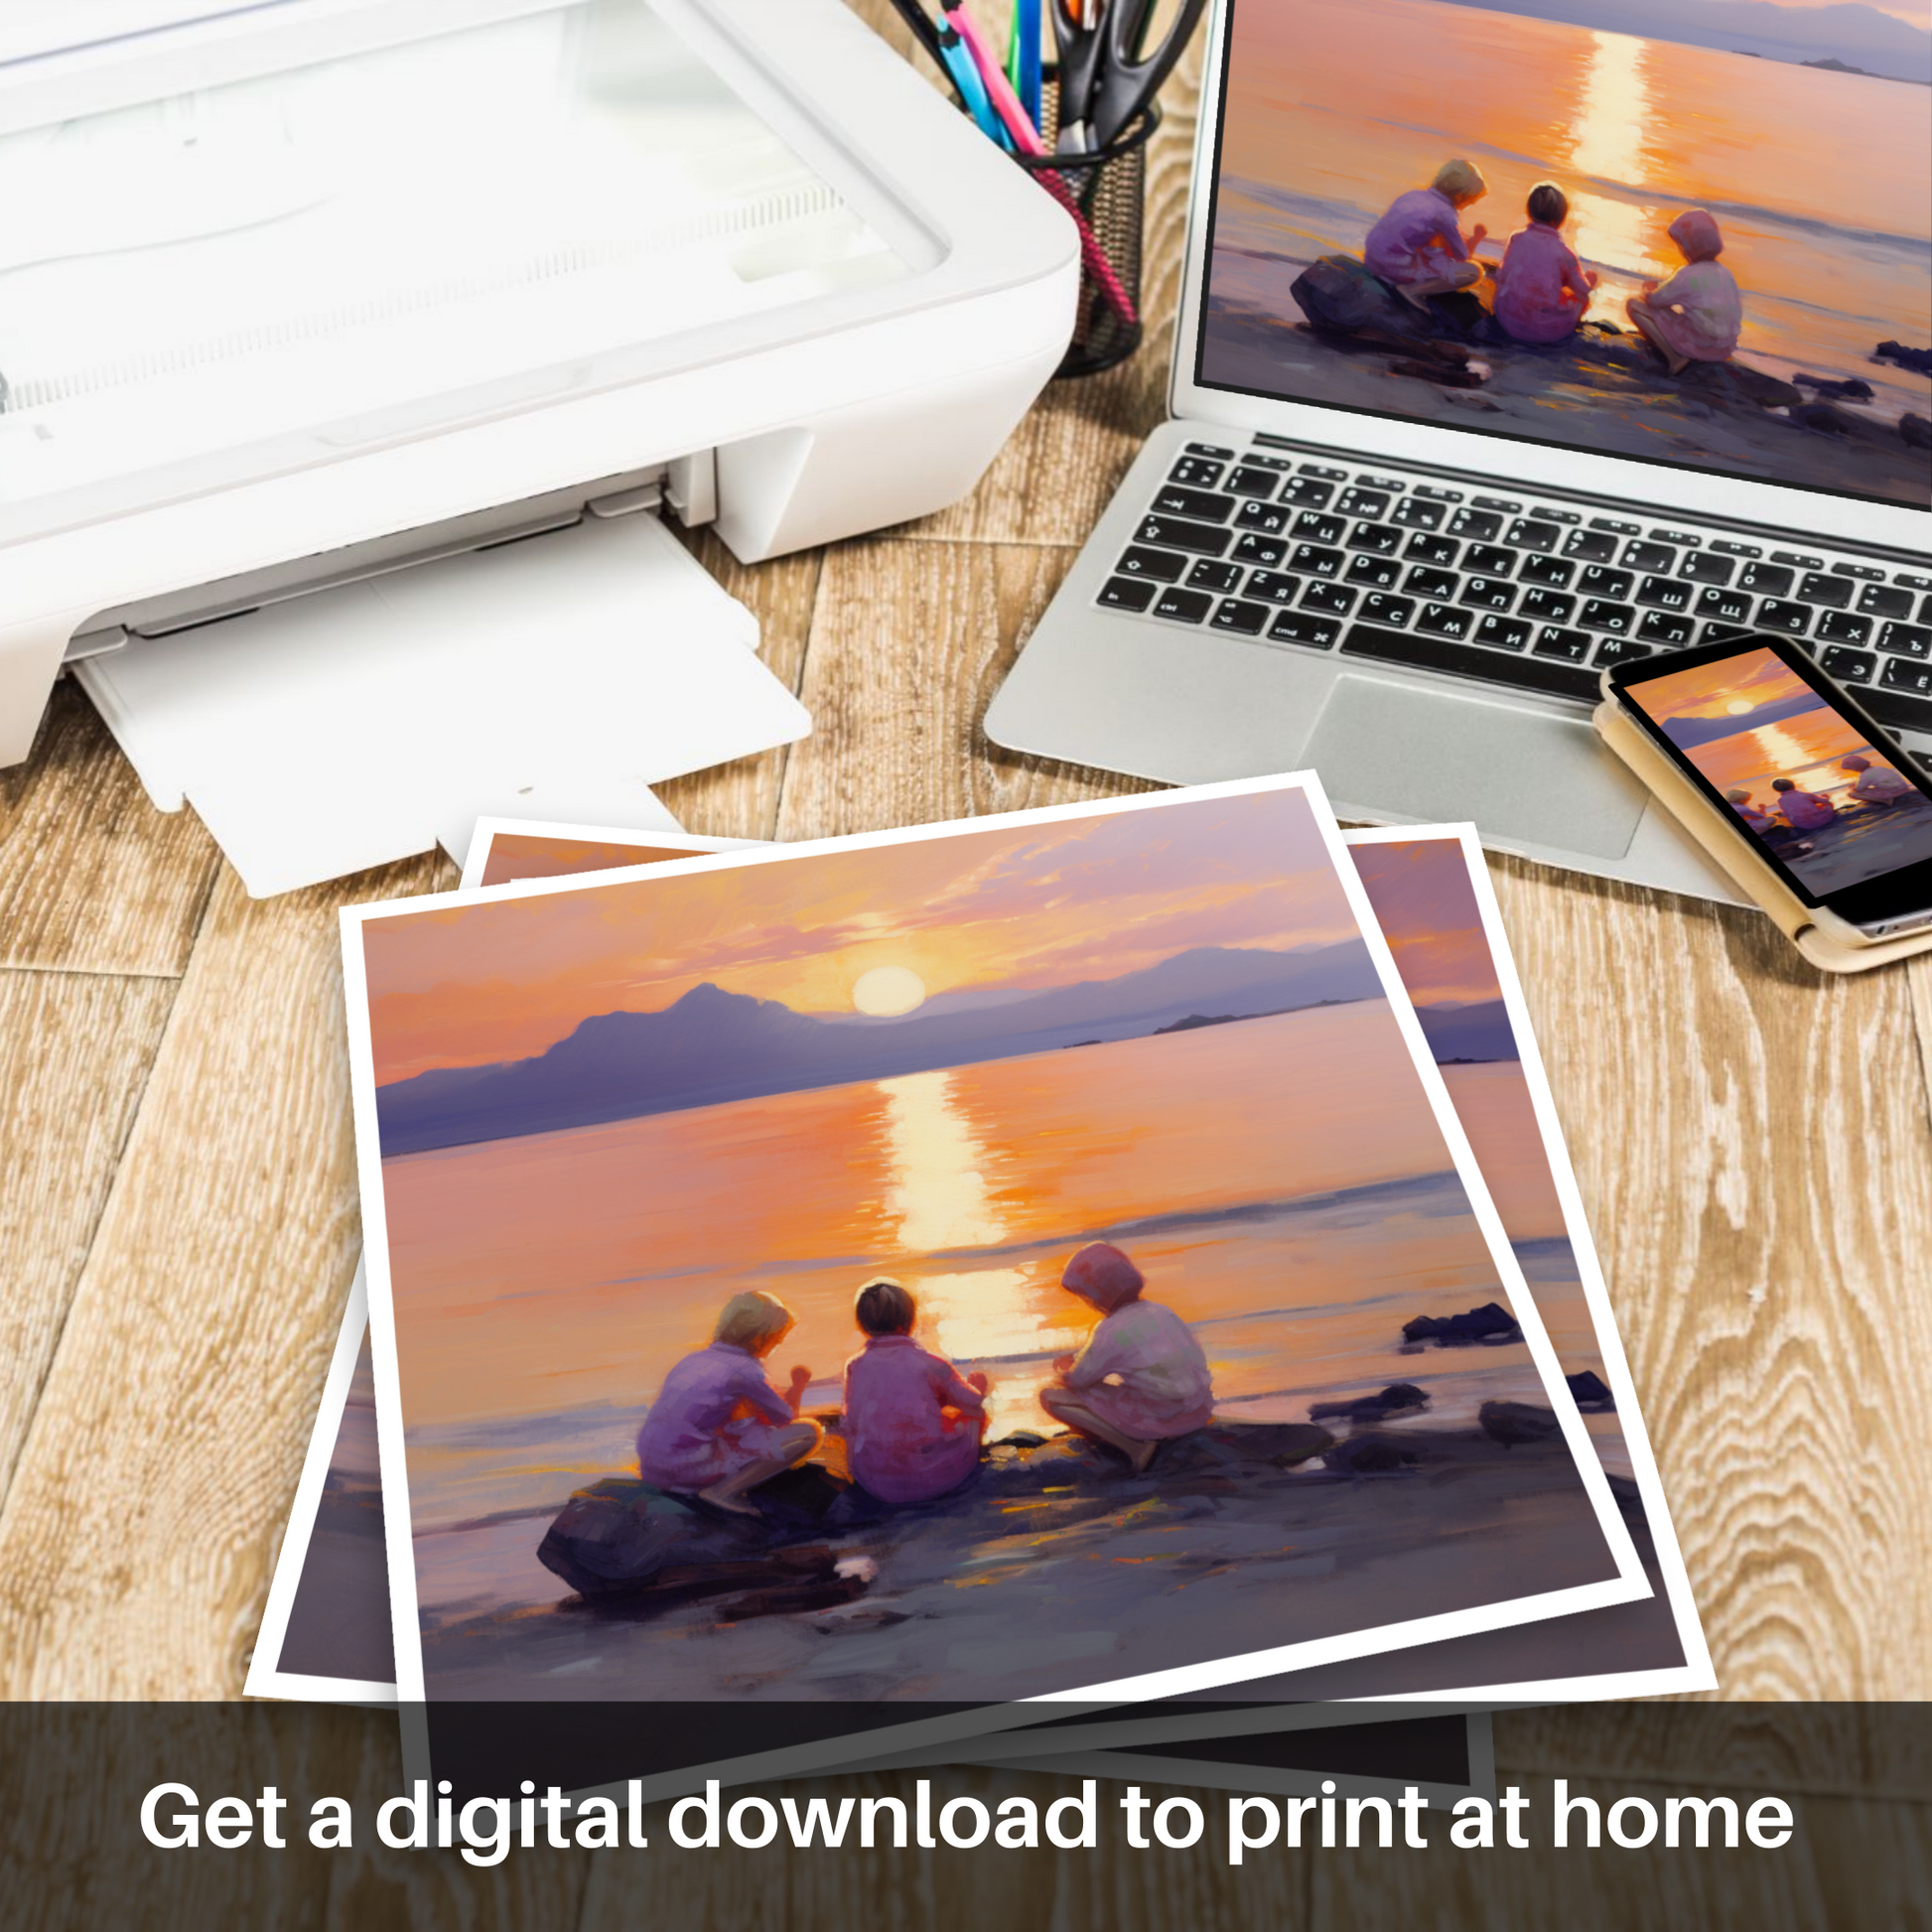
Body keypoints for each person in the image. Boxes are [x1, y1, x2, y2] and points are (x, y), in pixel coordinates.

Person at [635, 1291, 820, 1518]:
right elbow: (784, 1418)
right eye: (776, 1340)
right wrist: (798, 1386)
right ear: (758, 1338)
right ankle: (724, 1492)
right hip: (687, 1470)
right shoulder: (746, 1368)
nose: (777, 1345)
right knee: (809, 1433)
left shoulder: (693, 1360)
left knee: (745, 1429)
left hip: (654, 1469)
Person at [1038, 1243, 1214, 1474]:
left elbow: (1078, 1380)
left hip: (1163, 1418)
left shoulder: (1110, 1328)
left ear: (1098, 1292)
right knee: (1118, 1389)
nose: (1088, 1303)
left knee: (1051, 1396)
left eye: (1086, 1296)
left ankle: (1134, 1449)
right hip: (1198, 1411)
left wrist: (1065, 1368)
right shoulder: (1160, 1311)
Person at [841, 1278, 990, 1504]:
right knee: (974, 1416)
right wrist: (979, 1387)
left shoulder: (855, 1365)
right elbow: (971, 1401)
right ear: (909, 1320)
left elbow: (850, 1420)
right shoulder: (930, 1364)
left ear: (863, 1324)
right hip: (929, 1478)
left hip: (872, 1481)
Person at [1363, 159, 1489, 313]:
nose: (1470, 205)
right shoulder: (1446, 213)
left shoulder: (1413, 195)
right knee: (1473, 272)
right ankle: (1412, 291)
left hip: (1373, 260)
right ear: (1460, 195)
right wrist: (1476, 238)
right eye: (1472, 200)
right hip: (1394, 268)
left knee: (1433, 254)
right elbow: (1461, 256)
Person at [1626, 209, 1741, 376]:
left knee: (1634, 305)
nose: (1681, 250)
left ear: (1690, 245)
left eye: (1681, 245)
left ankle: (1675, 359)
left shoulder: (1687, 274)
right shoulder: (1725, 273)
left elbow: (1656, 301)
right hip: (1724, 350)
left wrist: (1649, 290)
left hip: (1699, 346)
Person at [1492, 182, 1597, 345]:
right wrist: (1590, 282)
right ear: (1560, 219)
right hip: (1543, 331)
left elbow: (1503, 273)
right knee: (1582, 299)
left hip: (1506, 320)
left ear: (1529, 211)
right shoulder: (1564, 253)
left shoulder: (1516, 238)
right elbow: (1582, 289)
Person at [1841, 754, 1914, 805]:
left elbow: (1858, 789)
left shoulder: (1864, 775)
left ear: (1855, 768)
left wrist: (1853, 787)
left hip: (1892, 792)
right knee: (1879, 785)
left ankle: (1886, 801)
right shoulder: (1879, 768)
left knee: (1852, 794)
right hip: (1904, 788)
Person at [1771, 774, 1837, 831]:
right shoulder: (1805, 795)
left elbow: (1786, 813)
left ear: (1777, 790)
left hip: (1801, 825)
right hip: (1820, 820)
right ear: (1793, 785)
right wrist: (1825, 797)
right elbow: (1825, 801)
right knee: (1827, 802)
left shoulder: (1780, 800)